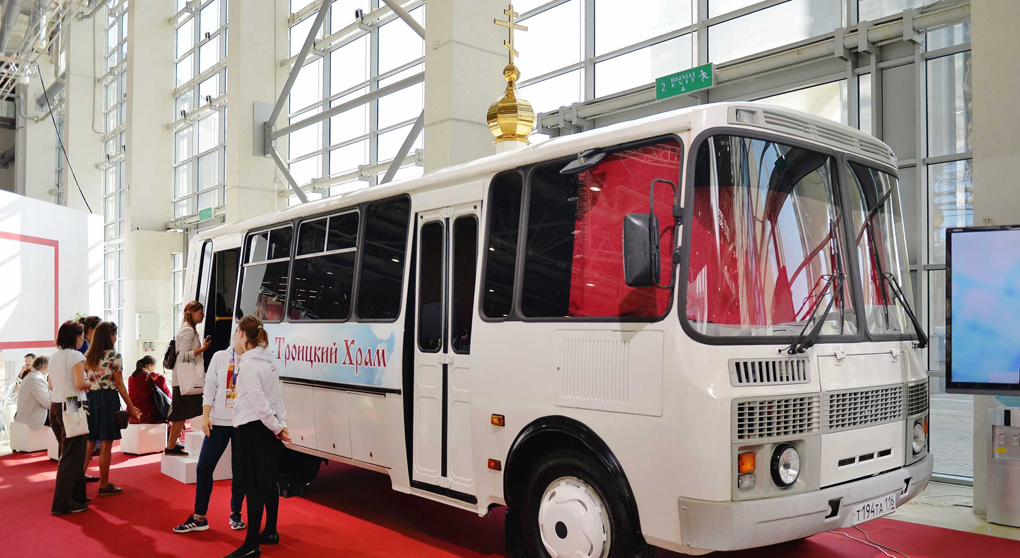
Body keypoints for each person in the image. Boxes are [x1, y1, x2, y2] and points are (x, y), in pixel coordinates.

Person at [224, 315, 290, 558]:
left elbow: (260, 402)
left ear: (242, 334)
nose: (234, 337)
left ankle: (251, 543)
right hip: (267, 429)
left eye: (235, 332)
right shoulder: (270, 361)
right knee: (268, 482)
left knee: (252, 484)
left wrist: (275, 425)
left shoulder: (250, 364)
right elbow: (276, 398)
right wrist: (280, 425)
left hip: (253, 430)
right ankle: (270, 531)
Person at [173, 347, 246, 534]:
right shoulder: (220, 357)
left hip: (243, 422)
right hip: (219, 422)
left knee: (239, 469)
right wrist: (205, 416)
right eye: (238, 331)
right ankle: (199, 517)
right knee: (204, 467)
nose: (239, 335)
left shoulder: (252, 358)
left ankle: (236, 513)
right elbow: (210, 386)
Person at [82, 322, 141, 496]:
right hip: (108, 399)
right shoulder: (114, 356)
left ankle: (76, 481)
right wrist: (130, 406)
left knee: (89, 441)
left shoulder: (88, 355)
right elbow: (120, 384)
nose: (115, 338)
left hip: (91, 399)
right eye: (115, 334)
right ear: (110, 336)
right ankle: (104, 485)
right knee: (106, 444)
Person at [50, 321, 90, 515]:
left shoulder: (54, 357)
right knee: (73, 456)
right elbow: (80, 383)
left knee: (70, 453)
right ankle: (62, 503)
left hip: (56, 404)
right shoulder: (76, 355)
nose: (83, 340)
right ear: (76, 338)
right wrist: (92, 380)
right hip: (72, 402)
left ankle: (78, 497)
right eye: (81, 336)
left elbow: (51, 385)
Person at [166, 301, 213, 455]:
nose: (203, 315)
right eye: (200, 312)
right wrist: (203, 349)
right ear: (192, 313)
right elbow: (183, 356)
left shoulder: (187, 329)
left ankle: (173, 443)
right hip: (184, 380)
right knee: (180, 414)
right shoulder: (188, 331)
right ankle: (171, 446)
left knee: (180, 414)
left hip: (182, 380)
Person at [128, 356, 171, 425]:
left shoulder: (131, 377)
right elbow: (167, 393)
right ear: (149, 365)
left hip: (133, 414)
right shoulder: (153, 377)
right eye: (154, 366)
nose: (153, 369)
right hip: (149, 414)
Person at [14, 355, 50, 430]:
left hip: (26, 416)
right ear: (45, 367)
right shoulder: (37, 379)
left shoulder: (32, 376)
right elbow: (48, 403)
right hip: (31, 419)